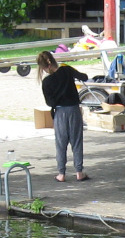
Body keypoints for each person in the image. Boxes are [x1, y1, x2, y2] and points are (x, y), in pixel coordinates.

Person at [37, 51, 89, 183]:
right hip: (74, 110)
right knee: (76, 141)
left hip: (60, 112)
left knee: (61, 143)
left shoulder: (47, 82)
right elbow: (84, 77)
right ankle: (79, 172)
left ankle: (61, 174)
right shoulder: (66, 70)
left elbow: (50, 102)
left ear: (45, 67)